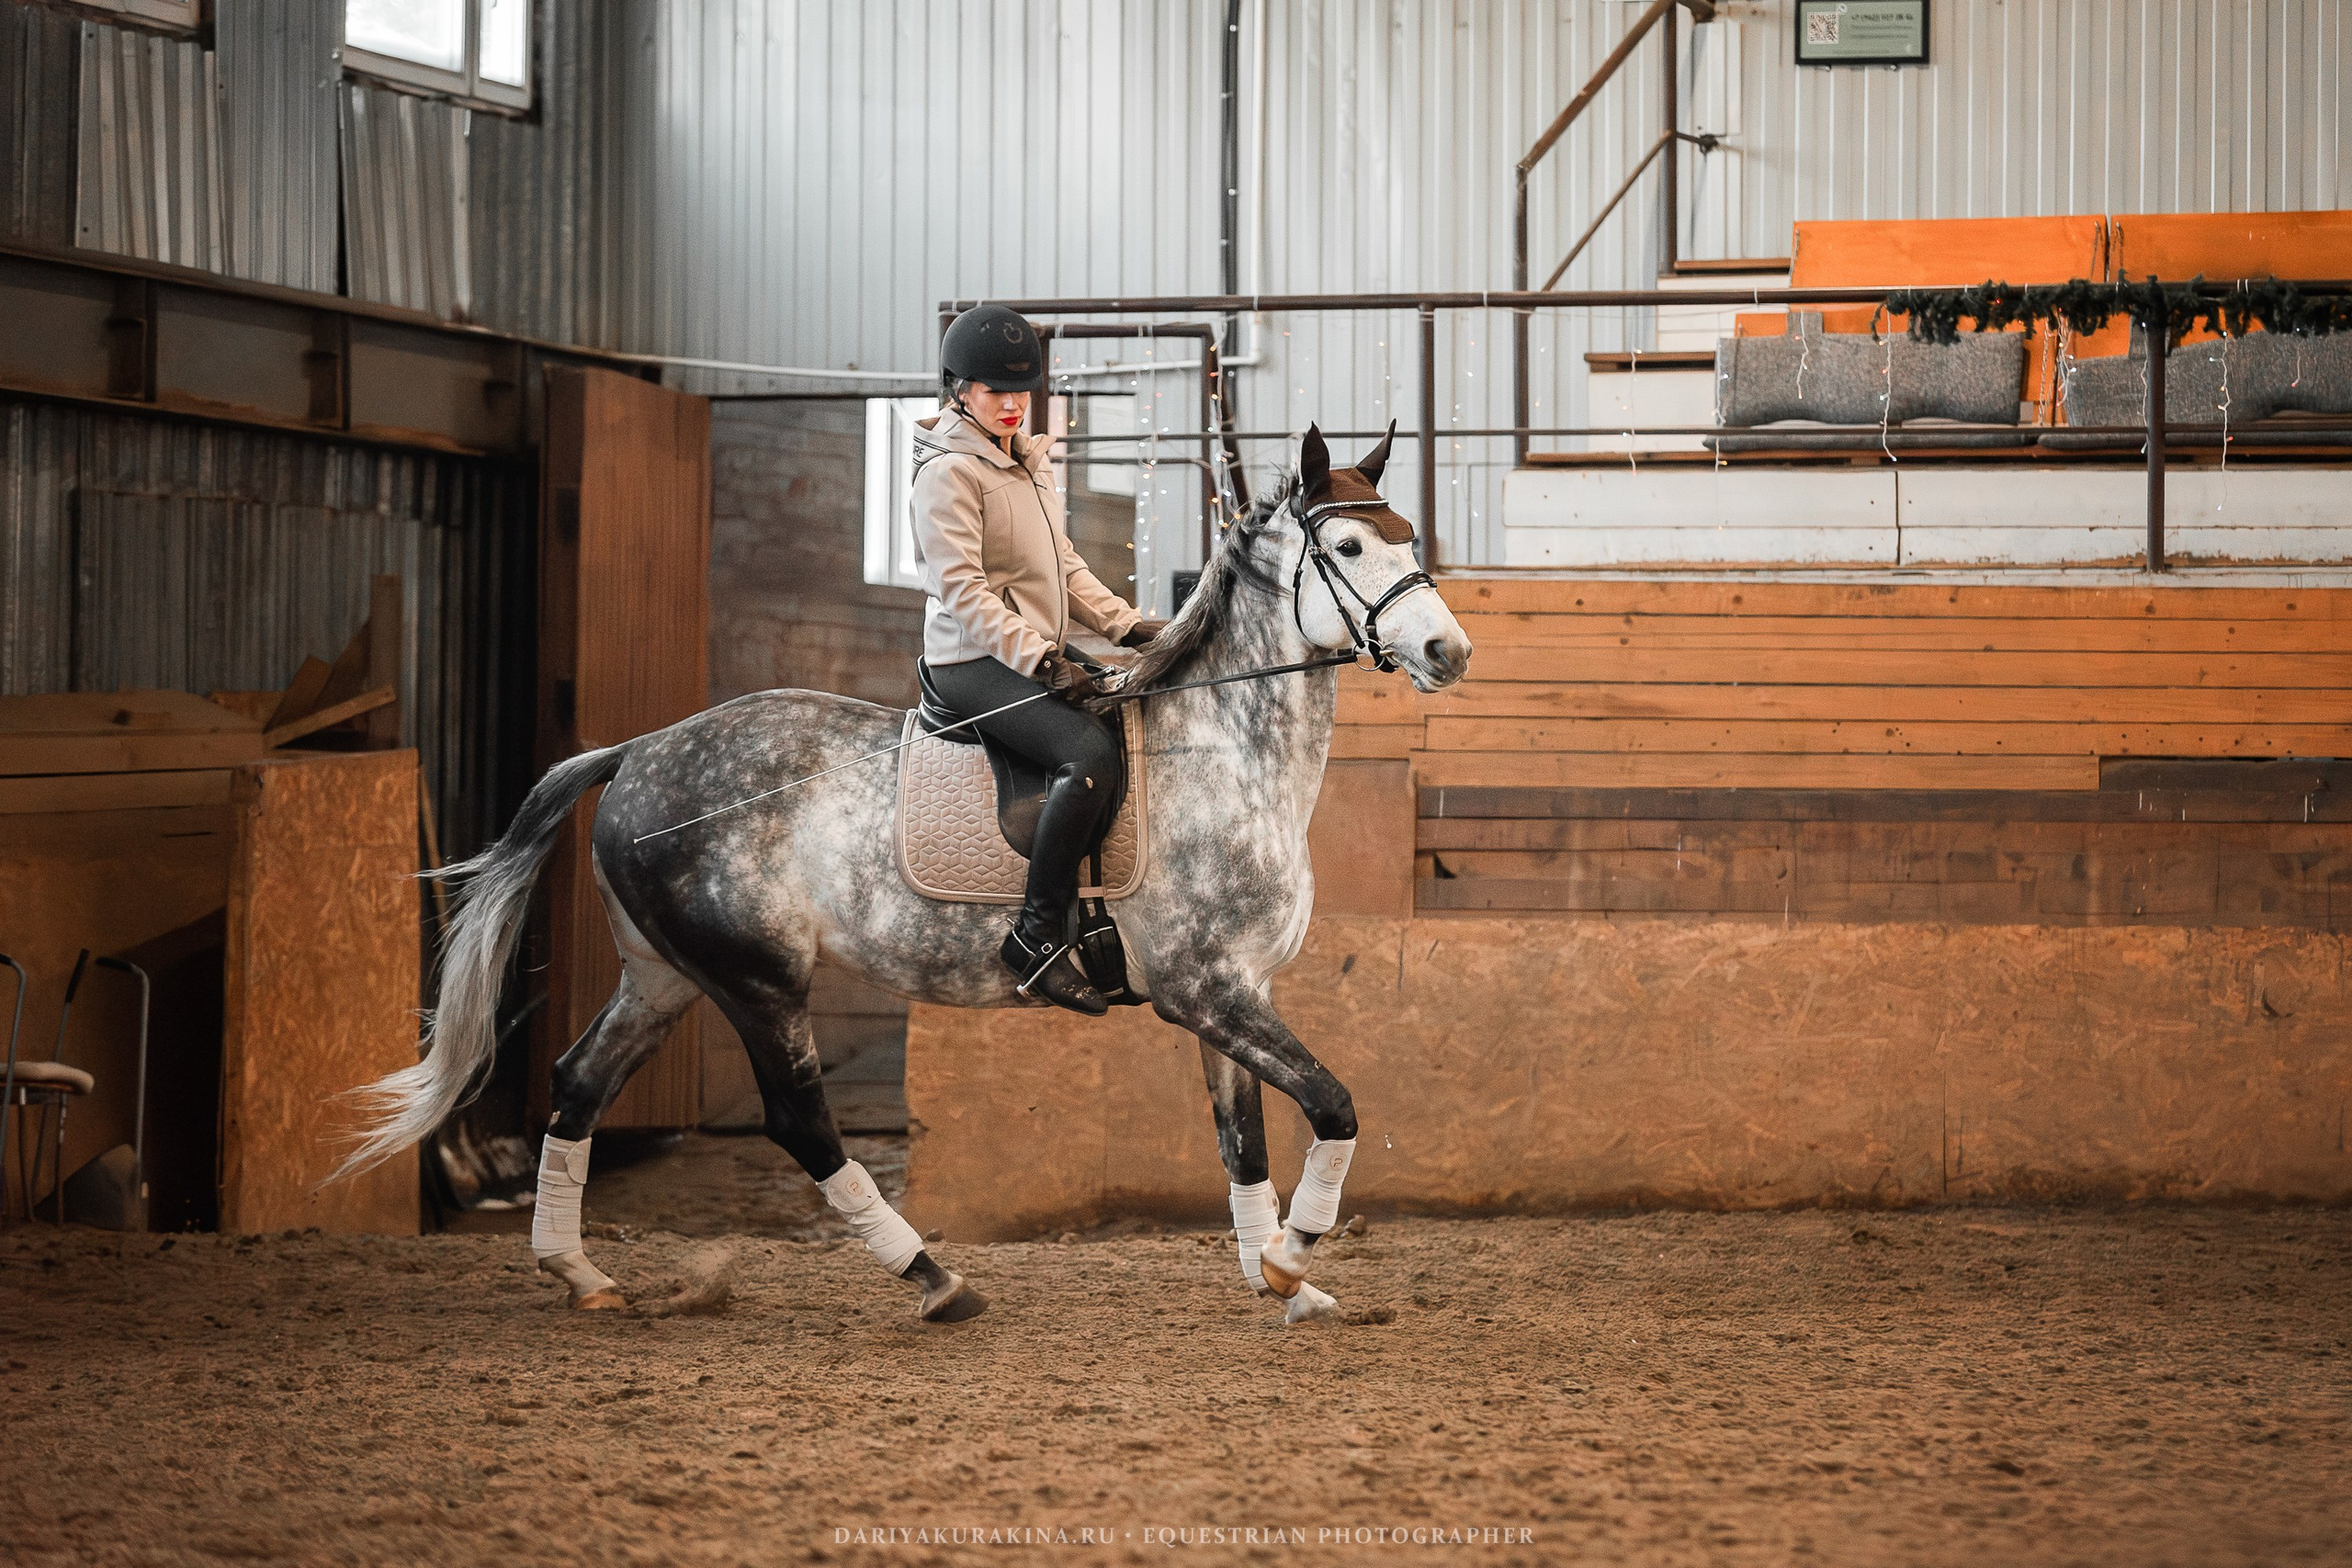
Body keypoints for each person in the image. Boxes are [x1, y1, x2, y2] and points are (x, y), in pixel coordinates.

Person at [910, 305, 1167, 1015]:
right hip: (971, 661)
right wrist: (1044, 660)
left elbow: (1063, 566)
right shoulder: (951, 474)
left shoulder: (1023, 462)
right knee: (1088, 756)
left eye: (1023, 390)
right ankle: (1036, 938)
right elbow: (961, 591)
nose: (1014, 403)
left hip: (1031, 648)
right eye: (997, 391)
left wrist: (1132, 626)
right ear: (960, 388)